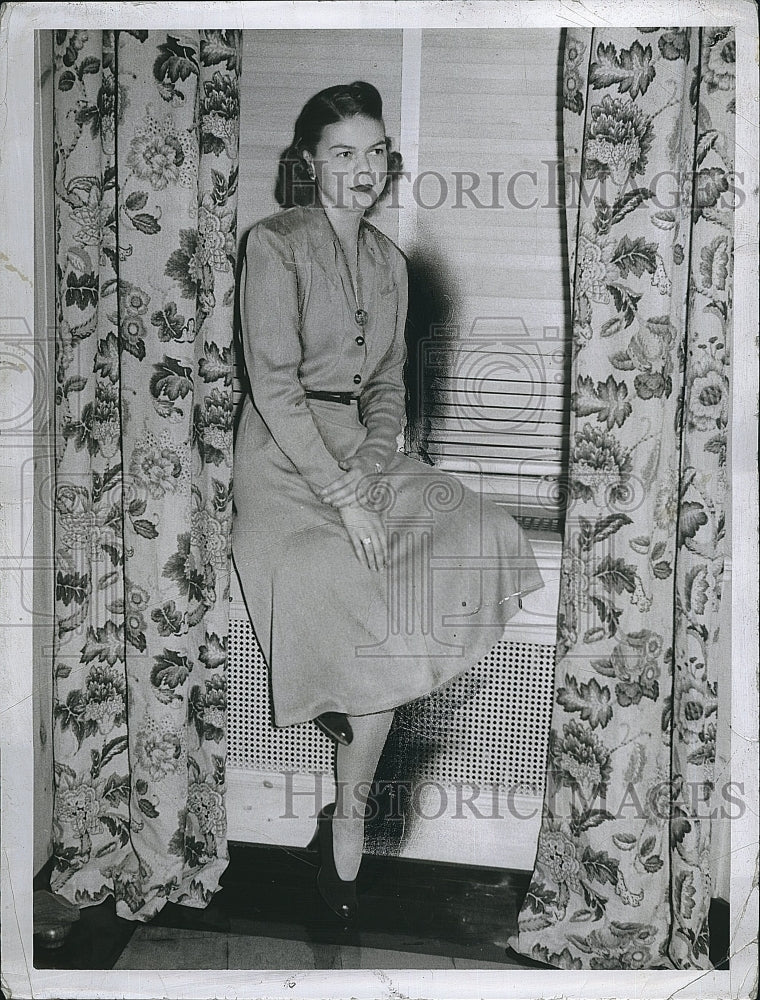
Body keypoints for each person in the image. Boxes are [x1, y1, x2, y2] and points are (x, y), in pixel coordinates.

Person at [231, 81, 544, 922]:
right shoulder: (275, 245)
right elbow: (275, 387)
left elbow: (388, 388)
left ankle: (350, 790)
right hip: (282, 459)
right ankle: (353, 816)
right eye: (344, 153)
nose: (363, 169)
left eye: (376, 153)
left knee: (480, 529)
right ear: (308, 165)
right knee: (335, 573)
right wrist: (343, 496)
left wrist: (373, 467)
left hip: (364, 456)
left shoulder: (389, 263)